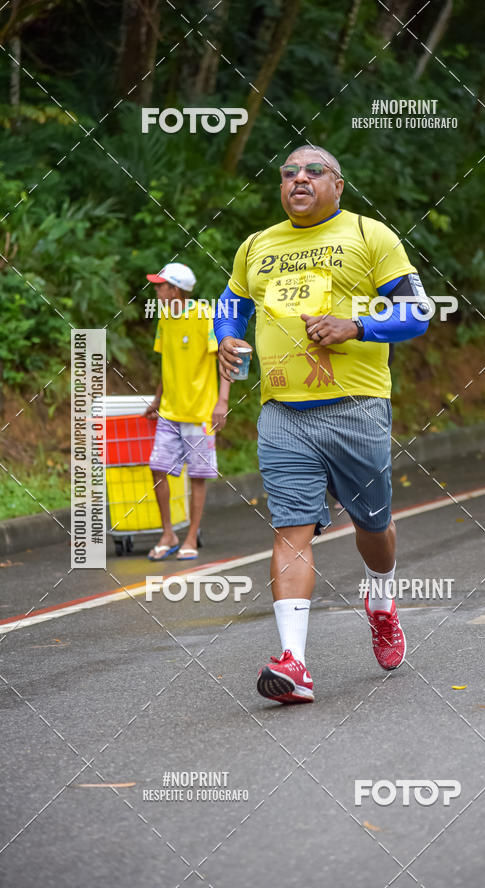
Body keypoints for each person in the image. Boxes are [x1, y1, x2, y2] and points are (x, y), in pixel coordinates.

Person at [215, 146, 430, 704]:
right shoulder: (256, 246)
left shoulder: (369, 236)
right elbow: (232, 302)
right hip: (282, 411)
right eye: (288, 173)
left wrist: (356, 326)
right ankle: (294, 663)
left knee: (373, 528)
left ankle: (381, 599)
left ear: (338, 184)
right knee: (291, 528)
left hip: (356, 407)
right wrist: (228, 337)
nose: (299, 179)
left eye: (313, 172)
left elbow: (417, 312)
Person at [145, 262, 230, 561]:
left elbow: (224, 360)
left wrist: (222, 402)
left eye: (160, 285)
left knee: (197, 476)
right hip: (170, 411)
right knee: (157, 468)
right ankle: (168, 533)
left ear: (175, 289)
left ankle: (191, 536)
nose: (156, 290)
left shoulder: (205, 316)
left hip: (200, 412)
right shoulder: (165, 319)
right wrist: (157, 400)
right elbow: (166, 364)